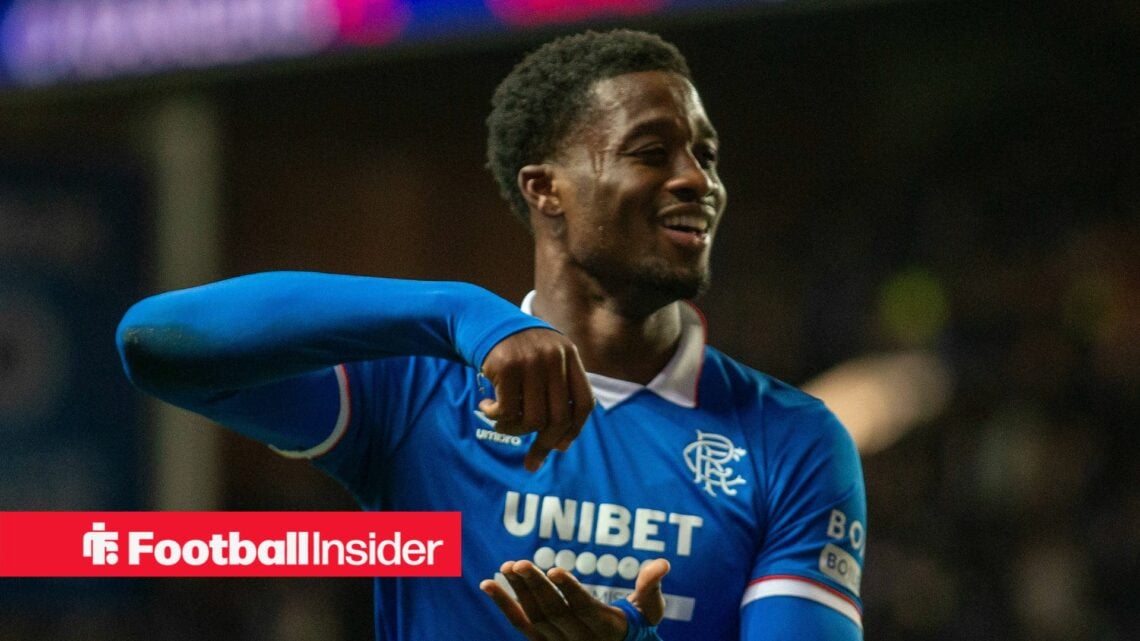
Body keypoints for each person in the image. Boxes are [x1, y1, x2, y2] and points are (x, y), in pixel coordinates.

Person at [117, 29, 866, 641]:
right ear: (546, 188)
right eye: (651, 151)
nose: (698, 179)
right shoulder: (418, 387)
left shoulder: (790, 438)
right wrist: (457, 313)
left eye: (705, 155)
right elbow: (156, 342)